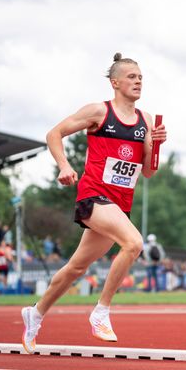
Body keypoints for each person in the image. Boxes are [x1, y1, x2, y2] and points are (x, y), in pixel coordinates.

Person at [20, 53, 167, 354]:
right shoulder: (100, 112)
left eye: (141, 77)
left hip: (119, 204)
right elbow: (54, 134)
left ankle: (34, 314)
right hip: (93, 196)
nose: (138, 81)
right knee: (134, 243)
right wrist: (64, 165)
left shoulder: (147, 121)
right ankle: (101, 312)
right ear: (115, 82)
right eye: (131, 76)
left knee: (76, 267)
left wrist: (156, 144)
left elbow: (150, 172)